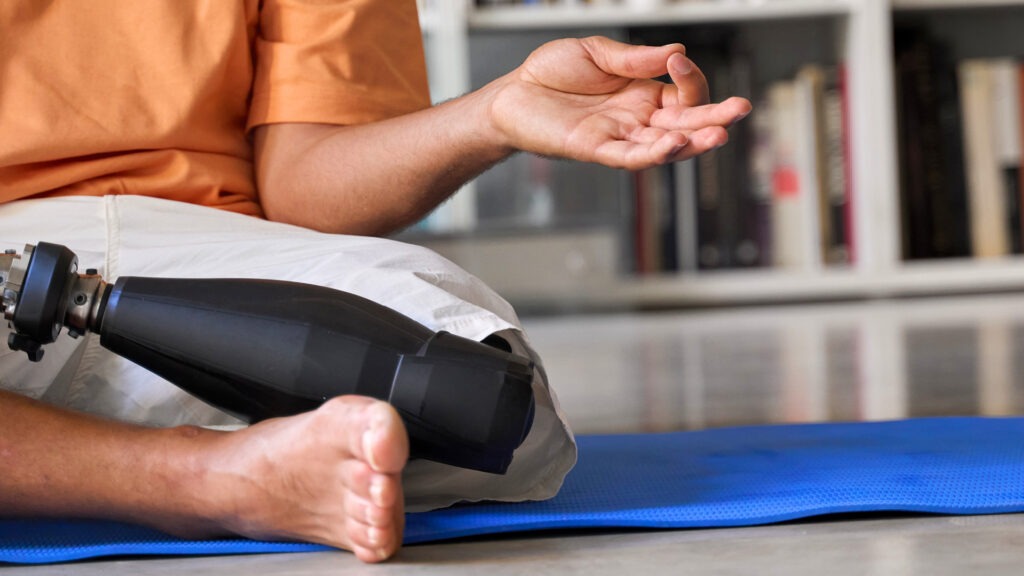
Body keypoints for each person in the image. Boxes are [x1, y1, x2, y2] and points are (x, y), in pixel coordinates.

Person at [0, 0, 751, 564]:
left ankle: (263, 460)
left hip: (217, 256)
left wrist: (491, 114)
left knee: (487, 401)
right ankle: (211, 480)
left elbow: (306, 191)